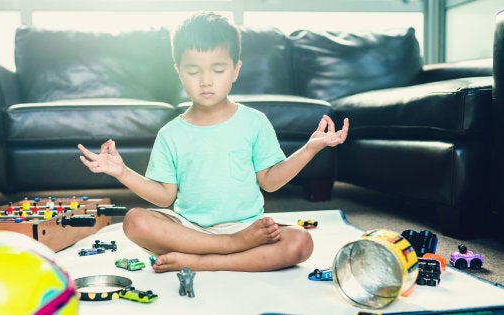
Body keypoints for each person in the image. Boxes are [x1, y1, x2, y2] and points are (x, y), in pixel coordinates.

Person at [78, 12, 349, 273]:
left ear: (235, 70)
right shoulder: (170, 134)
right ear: (179, 72)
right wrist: (121, 172)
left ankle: (202, 262)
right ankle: (228, 248)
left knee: (300, 242)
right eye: (193, 71)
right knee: (135, 220)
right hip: (190, 232)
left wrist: (310, 148)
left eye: (217, 70)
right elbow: (164, 197)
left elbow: (270, 181)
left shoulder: (254, 122)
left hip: (248, 229)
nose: (206, 81)